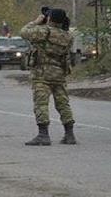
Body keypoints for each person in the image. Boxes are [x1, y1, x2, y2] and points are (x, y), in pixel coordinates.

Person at [20, 8, 76, 146]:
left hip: (42, 73)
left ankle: (43, 135)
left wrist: (36, 22)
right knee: (63, 103)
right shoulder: (68, 36)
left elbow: (24, 32)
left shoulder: (44, 31)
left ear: (50, 19)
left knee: (41, 104)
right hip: (59, 73)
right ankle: (69, 134)